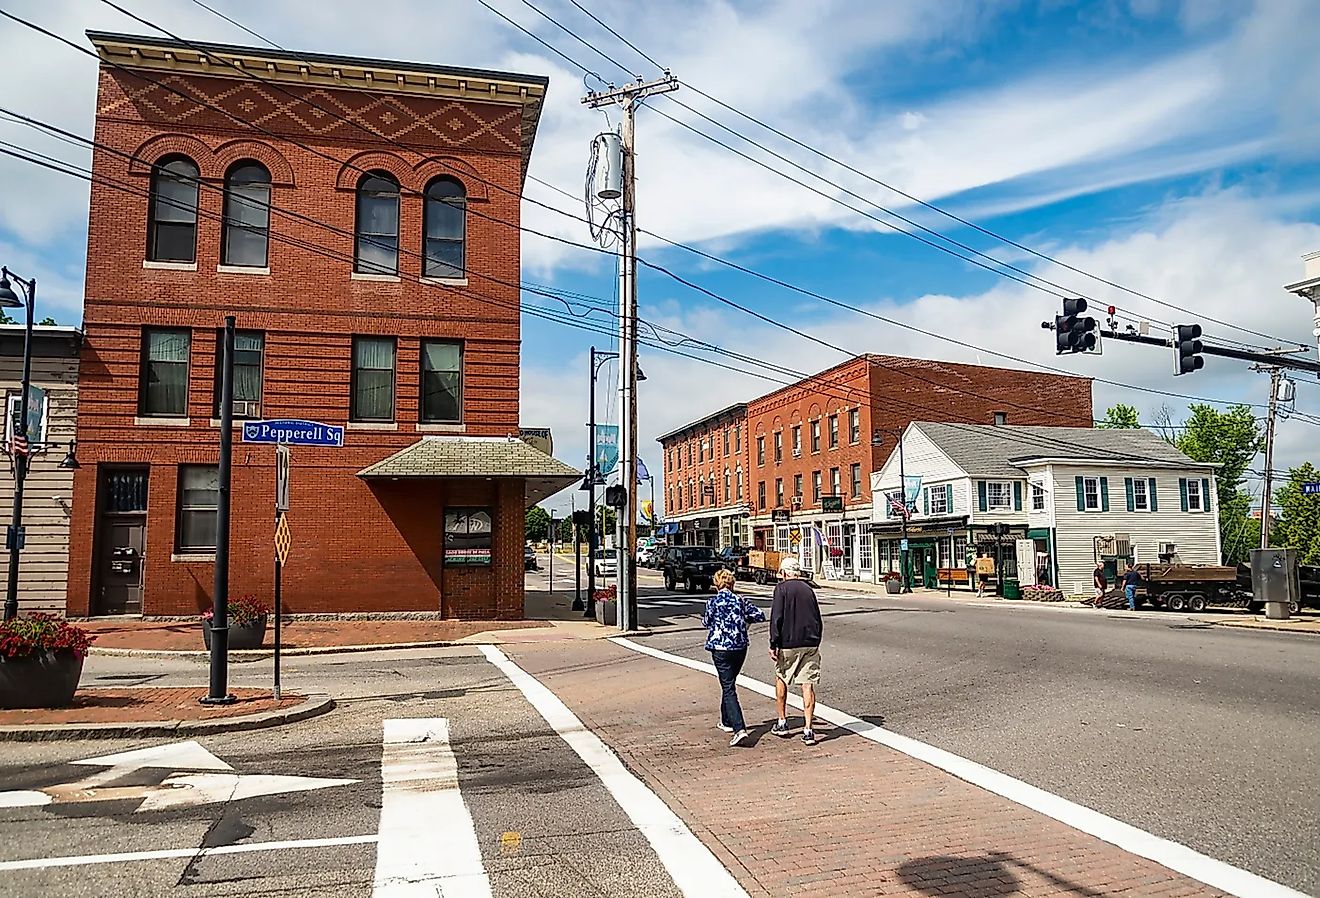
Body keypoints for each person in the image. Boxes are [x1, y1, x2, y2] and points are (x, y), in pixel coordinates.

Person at [701, 568, 766, 747]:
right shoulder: (740, 600)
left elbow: (706, 622)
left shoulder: (713, 602)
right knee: (728, 683)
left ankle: (739, 729)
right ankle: (726, 721)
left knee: (728, 686)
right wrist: (745, 623)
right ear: (732, 584)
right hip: (739, 647)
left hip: (720, 648)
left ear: (716, 584)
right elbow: (760, 615)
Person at [768, 556, 823, 746]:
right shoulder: (809, 589)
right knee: (807, 684)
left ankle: (782, 721)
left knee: (782, 677)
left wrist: (773, 643)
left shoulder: (781, 589)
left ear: (784, 573)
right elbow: (817, 616)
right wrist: (816, 638)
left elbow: (777, 616)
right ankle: (808, 729)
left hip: (788, 642)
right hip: (810, 641)